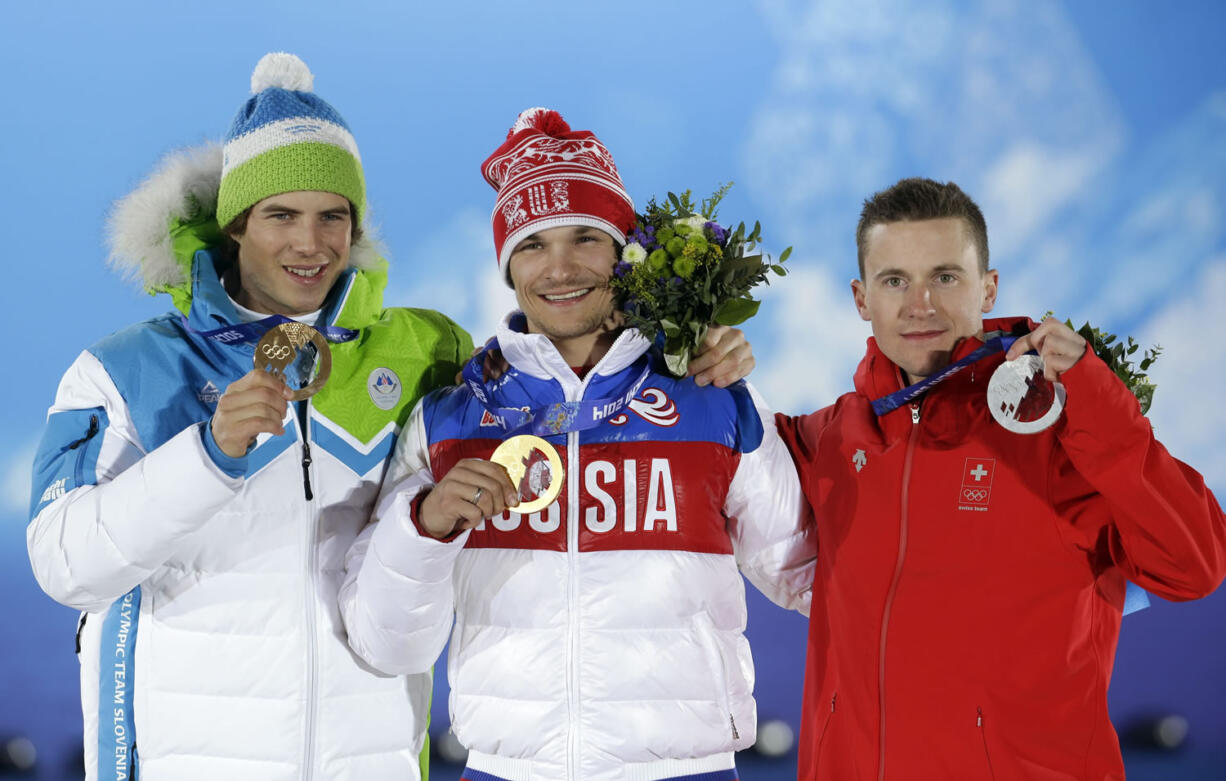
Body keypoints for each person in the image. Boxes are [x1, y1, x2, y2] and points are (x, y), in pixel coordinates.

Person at [26, 55, 756, 781]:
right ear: (236, 224)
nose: (309, 244)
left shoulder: (424, 352)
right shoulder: (125, 370)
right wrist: (207, 455)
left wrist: (687, 350)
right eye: (281, 215)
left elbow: (563, 376)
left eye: (332, 216)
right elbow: (65, 567)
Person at [338, 107, 816, 781]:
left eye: (586, 237)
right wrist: (424, 526)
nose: (559, 268)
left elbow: (813, 574)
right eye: (532, 245)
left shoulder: (712, 396)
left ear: (625, 253)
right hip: (506, 769)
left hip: (687, 769)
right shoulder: (450, 419)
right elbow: (384, 641)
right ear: (508, 268)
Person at [775, 177, 1226, 780]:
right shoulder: (828, 439)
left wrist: (1093, 400)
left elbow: (1194, 565)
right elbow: (715, 455)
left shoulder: (1063, 429)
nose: (921, 304)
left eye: (945, 276)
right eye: (894, 281)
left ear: (988, 287)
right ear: (861, 298)